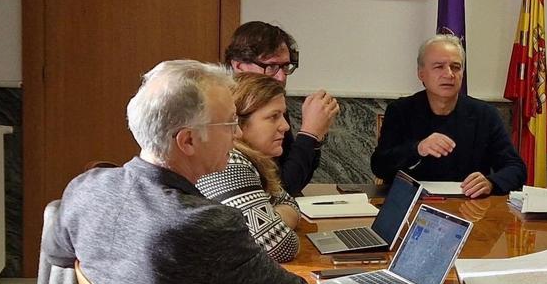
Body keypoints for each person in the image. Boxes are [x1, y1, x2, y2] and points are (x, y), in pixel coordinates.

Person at [44, 60, 316, 284]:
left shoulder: (87, 187)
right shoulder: (203, 225)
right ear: (187, 141)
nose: (237, 134)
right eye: (229, 123)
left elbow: (58, 257)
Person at [371, 34, 526, 197]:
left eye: (456, 67)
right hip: (413, 202)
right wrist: (418, 149)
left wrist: (491, 182)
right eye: (439, 67)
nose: (449, 74)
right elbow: (379, 166)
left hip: (469, 205)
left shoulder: (485, 114)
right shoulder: (400, 110)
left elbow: (516, 168)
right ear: (421, 73)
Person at [224, 21, 340, 195]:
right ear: (238, 65)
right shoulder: (223, 109)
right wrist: (309, 134)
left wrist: (315, 136)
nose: (281, 77)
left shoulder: (274, 101)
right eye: (271, 66)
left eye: (285, 66)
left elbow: (293, 178)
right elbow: (282, 188)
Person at [196, 73, 301, 262]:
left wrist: (272, 218)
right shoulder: (230, 163)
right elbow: (281, 247)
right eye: (273, 117)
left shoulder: (249, 159)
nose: (285, 126)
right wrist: (273, 218)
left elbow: (291, 203)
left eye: (283, 115)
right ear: (238, 122)